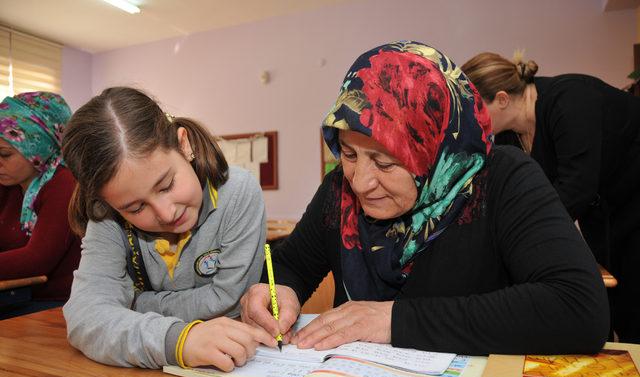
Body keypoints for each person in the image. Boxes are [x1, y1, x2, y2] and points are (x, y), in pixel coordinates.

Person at [241, 41, 609, 355]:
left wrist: (392, 320)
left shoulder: (502, 180)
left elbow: (578, 308)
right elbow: (291, 265)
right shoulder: (340, 187)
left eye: (384, 162)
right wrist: (278, 291)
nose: (361, 182)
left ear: (433, 151)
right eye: (349, 155)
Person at [61, 87, 276, 370]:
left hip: (233, 366)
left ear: (184, 144)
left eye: (167, 185)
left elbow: (228, 300)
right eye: (136, 208)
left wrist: (133, 304)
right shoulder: (107, 216)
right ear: (109, 203)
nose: (166, 213)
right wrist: (177, 341)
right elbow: (86, 317)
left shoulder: (238, 192)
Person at [461, 52, 640, 343]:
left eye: (477, 110)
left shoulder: (570, 100)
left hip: (633, 201)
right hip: (603, 213)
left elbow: (576, 187)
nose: (473, 121)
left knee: (634, 300)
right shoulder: (508, 137)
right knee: (612, 301)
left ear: (503, 99)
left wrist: (519, 233)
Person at [0, 92, 81, 318]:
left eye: (5, 154)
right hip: (15, 297)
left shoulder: (65, 184)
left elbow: (37, 259)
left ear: (39, 148)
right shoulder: (9, 183)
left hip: (54, 306)